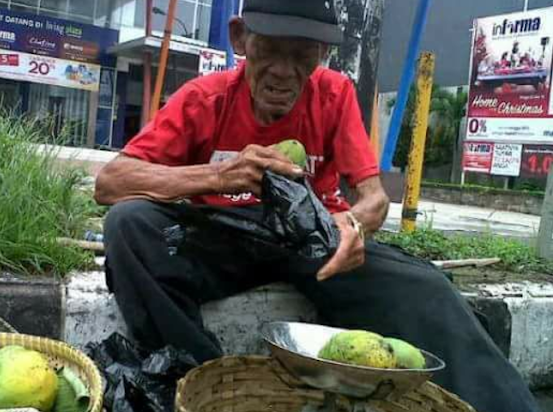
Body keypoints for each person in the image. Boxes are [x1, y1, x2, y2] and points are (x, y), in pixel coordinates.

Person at [94, 1, 540, 411]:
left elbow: (373, 198)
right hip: (222, 235)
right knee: (130, 224)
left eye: (304, 55)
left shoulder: (334, 93)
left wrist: (355, 226)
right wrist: (216, 176)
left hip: (314, 239)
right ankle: (201, 381)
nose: (284, 72)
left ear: (322, 53)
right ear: (239, 38)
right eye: (269, 50)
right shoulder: (203, 98)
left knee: (426, 289)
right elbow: (111, 182)